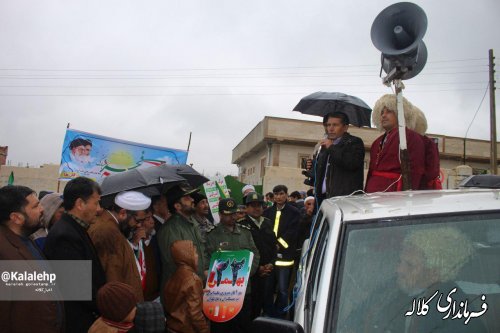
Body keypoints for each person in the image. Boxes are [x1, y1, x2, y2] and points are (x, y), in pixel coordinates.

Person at [44, 177, 106, 333]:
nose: (99, 209)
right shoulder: (65, 235)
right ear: (80, 204)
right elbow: (78, 289)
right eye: (96, 203)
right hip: (77, 322)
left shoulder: (75, 229)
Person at [0, 185, 64, 333]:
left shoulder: (26, 240)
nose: (42, 209)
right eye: (35, 206)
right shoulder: (4, 253)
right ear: (16, 217)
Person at [205, 198, 260, 333]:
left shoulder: (245, 232)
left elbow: (255, 255)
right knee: (221, 327)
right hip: (221, 293)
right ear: (220, 215)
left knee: (243, 326)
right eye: (228, 214)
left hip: (243, 290)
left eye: (234, 213)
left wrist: (246, 273)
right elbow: (206, 260)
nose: (232, 217)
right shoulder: (211, 235)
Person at [88, 191, 152, 303]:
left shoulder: (111, 226)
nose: (139, 225)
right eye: (138, 221)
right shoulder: (109, 232)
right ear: (122, 213)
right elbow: (113, 277)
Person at [365, 94, 426, 192]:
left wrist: (409, 198)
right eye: (381, 113)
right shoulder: (376, 142)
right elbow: (371, 173)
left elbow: (416, 171)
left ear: (400, 113)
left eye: (389, 111)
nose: (384, 115)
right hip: (372, 196)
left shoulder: (411, 137)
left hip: (395, 196)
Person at [158, 184, 207, 300]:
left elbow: (201, 251)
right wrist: (194, 284)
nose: (192, 200)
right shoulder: (170, 229)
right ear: (177, 206)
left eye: (191, 197)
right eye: (187, 198)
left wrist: (204, 271)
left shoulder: (192, 223)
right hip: (182, 294)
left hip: (196, 288)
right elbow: (175, 265)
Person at [306, 111, 365, 204]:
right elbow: (322, 174)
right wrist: (312, 166)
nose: (331, 128)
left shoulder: (354, 142)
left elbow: (351, 163)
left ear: (345, 127)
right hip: (323, 199)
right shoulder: (324, 146)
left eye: (335, 125)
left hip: (344, 199)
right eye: (328, 125)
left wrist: (332, 147)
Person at [262, 185, 300, 318]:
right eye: (276, 194)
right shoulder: (267, 212)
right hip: (270, 257)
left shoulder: (294, 212)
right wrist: (270, 246)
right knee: (268, 289)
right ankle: (268, 313)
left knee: (283, 290)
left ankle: (280, 316)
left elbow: (292, 232)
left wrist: (278, 244)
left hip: (285, 258)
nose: (278, 197)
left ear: (286, 195)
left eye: (281, 194)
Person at [238, 192, 277, 319]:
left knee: (268, 303)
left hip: (269, 270)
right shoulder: (241, 225)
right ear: (246, 208)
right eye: (253, 205)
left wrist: (272, 263)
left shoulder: (268, 222)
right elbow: (243, 251)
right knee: (253, 306)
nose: (257, 208)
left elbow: (273, 246)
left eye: (259, 205)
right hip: (252, 274)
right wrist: (258, 268)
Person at [163, 240, 210, 333]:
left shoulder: (174, 275)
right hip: (187, 328)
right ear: (187, 256)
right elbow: (195, 314)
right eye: (195, 253)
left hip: (172, 326)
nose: (197, 256)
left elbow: (179, 300)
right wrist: (205, 330)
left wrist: (199, 292)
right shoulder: (193, 279)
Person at [142, 207, 162, 302]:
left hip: (158, 293)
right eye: (147, 219)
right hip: (143, 297)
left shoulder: (156, 239)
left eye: (151, 217)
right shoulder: (134, 245)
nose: (152, 221)